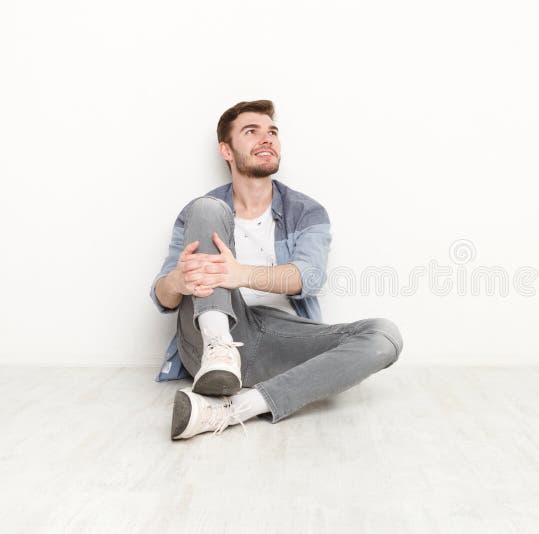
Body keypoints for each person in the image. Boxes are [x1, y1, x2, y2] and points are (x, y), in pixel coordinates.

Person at [149, 100, 403, 440]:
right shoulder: (198, 213)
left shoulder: (306, 211)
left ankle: (235, 409)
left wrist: (240, 274)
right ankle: (219, 350)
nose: (266, 138)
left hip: (280, 340)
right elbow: (162, 296)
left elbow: (309, 277)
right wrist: (178, 282)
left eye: (272, 132)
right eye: (251, 131)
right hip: (208, 342)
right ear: (226, 150)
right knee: (207, 208)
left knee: (384, 335)